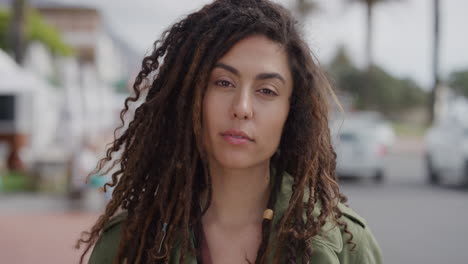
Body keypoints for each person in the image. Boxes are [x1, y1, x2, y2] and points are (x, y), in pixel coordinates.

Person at [76, 0, 383, 263]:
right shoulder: (128, 243)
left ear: (291, 111)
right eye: (223, 82)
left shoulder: (346, 245)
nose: (242, 107)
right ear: (189, 97)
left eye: (266, 90)